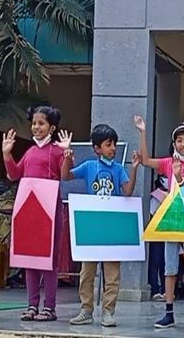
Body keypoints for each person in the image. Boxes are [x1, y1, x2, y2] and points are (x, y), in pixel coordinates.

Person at [134, 116, 184, 329]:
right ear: (174, 143)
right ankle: (169, 312)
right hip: (171, 221)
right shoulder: (169, 162)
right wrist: (142, 132)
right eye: (179, 140)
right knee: (170, 269)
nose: (183, 144)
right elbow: (146, 160)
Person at [62, 124, 140, 327]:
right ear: (97, 148)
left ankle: (108, 311)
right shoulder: (89, 166)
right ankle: (86, 310)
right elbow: (66, 176)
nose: (113, 148)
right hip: (92, 227)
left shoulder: (118, 169)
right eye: (108, 144)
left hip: (111, 227)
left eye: (114, 144)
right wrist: (67, 158)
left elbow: (127, 192)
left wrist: (134, 169)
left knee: (112, 274)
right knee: (87, 272)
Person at [3, 106, 66, 322]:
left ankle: (49, 307)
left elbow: (65, 174)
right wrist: (7, 154)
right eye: (34, 123)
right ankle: (32, 305)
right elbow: (14, 174)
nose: (36, 127)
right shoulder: (30, 151)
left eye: (41, 123)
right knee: (30, 258)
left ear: (52, 127)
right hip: (29, 211)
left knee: (49, 260)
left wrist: (67, 154)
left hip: (50, 210)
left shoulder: (57, 151)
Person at [148, 175, 168, 302]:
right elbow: (151, 212)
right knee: (155, 261)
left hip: (169, 233)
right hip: (156, 233)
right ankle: (155, 289)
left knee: (165, 263)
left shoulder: (173, 192)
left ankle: (166, 290)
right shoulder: (156, 195)